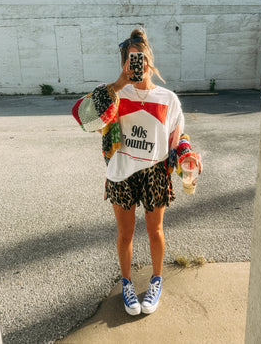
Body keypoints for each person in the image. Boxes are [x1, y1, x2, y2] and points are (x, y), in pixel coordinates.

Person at [72, 28, 202, 316]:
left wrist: (188, 157)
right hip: (121, 172)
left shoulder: (168, 99)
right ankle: (127, 282)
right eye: (130, 60)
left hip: (155, 172)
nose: (136, 65)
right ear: (123, 64)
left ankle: (156, 280)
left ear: (150, 60)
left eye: (140, 58)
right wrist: (118, 83)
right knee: (125, 233)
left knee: (155, 231)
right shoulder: (113, 95)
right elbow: (83, 117)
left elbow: (177, 139)